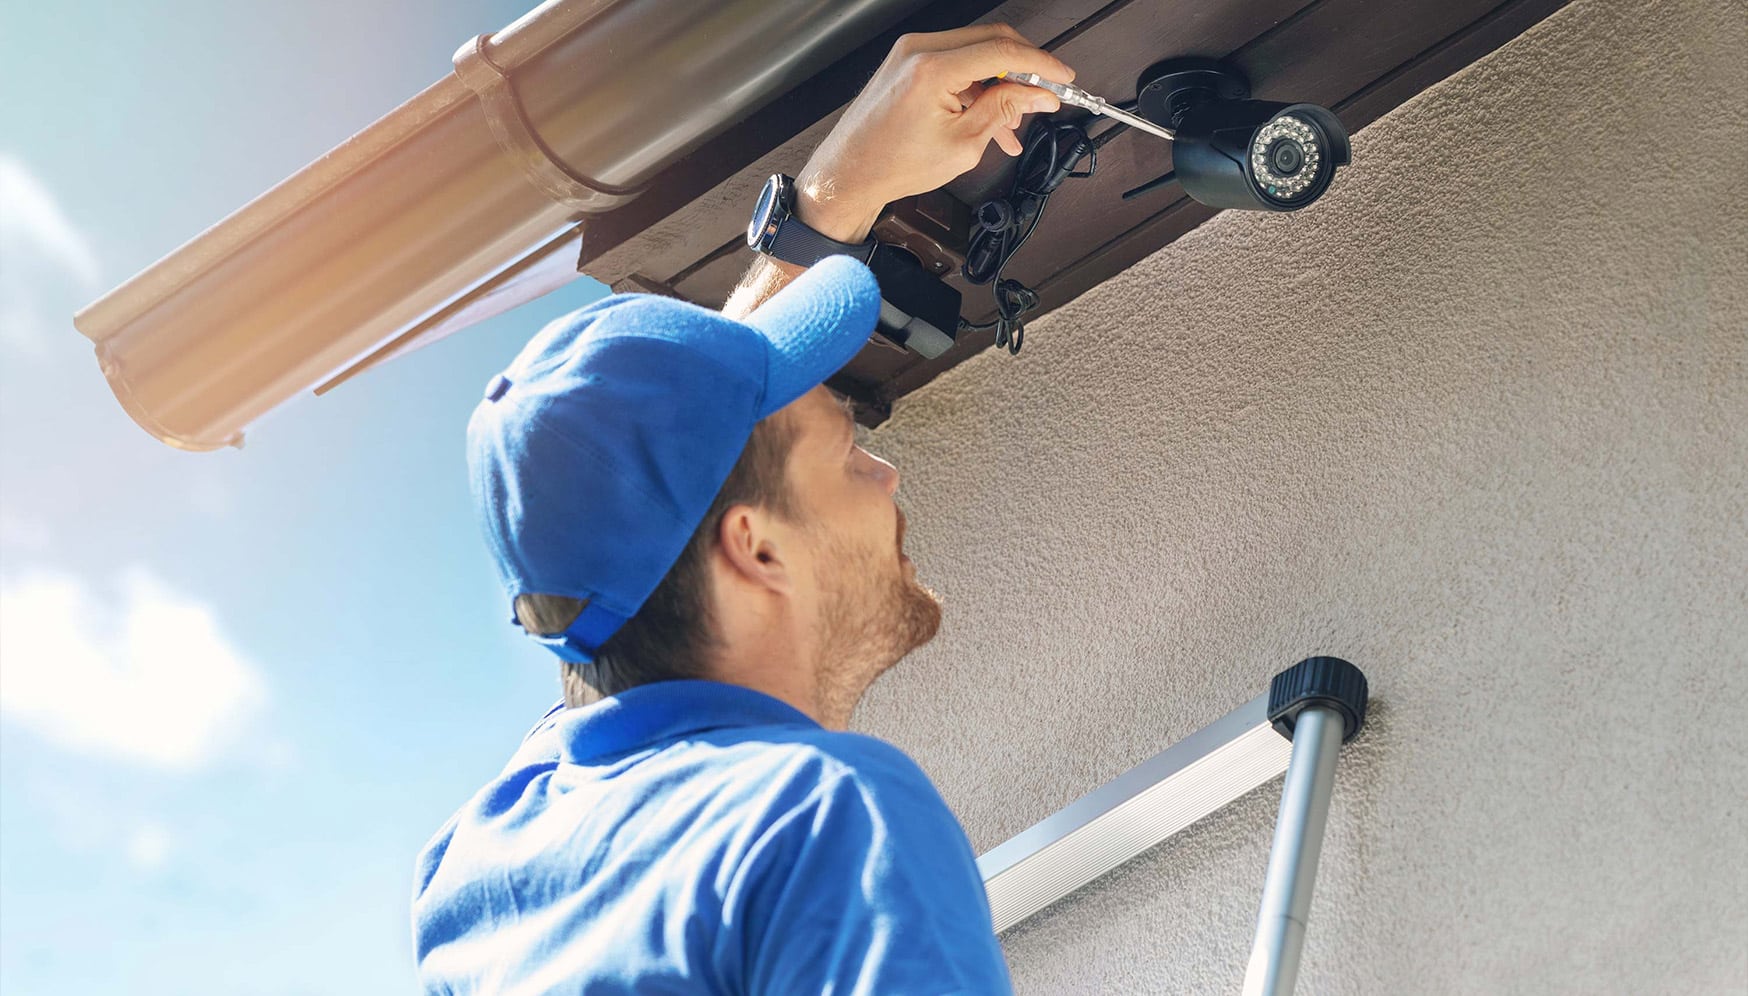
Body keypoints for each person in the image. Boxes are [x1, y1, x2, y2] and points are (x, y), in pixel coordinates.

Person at [412, 23, 1075, 994]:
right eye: (847, 455)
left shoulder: (482, 871)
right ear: (753, 549)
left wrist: (833, 197)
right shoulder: (825, 819)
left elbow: (655, 513)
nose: (887, 476)